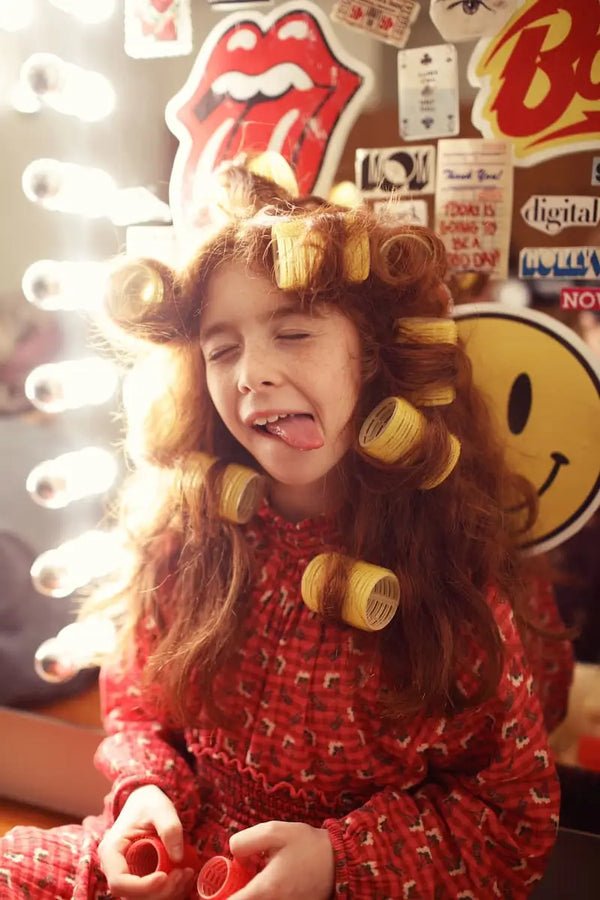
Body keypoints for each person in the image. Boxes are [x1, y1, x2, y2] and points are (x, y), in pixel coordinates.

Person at [0, 155, 565, 900]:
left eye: (293, 334)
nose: (250, 374)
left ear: (373, 360)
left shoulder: (449, 574)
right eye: (222, 348)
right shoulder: (189, 540)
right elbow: (141, 712)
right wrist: (146, 801)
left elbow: (511, 822)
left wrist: (338, 865)